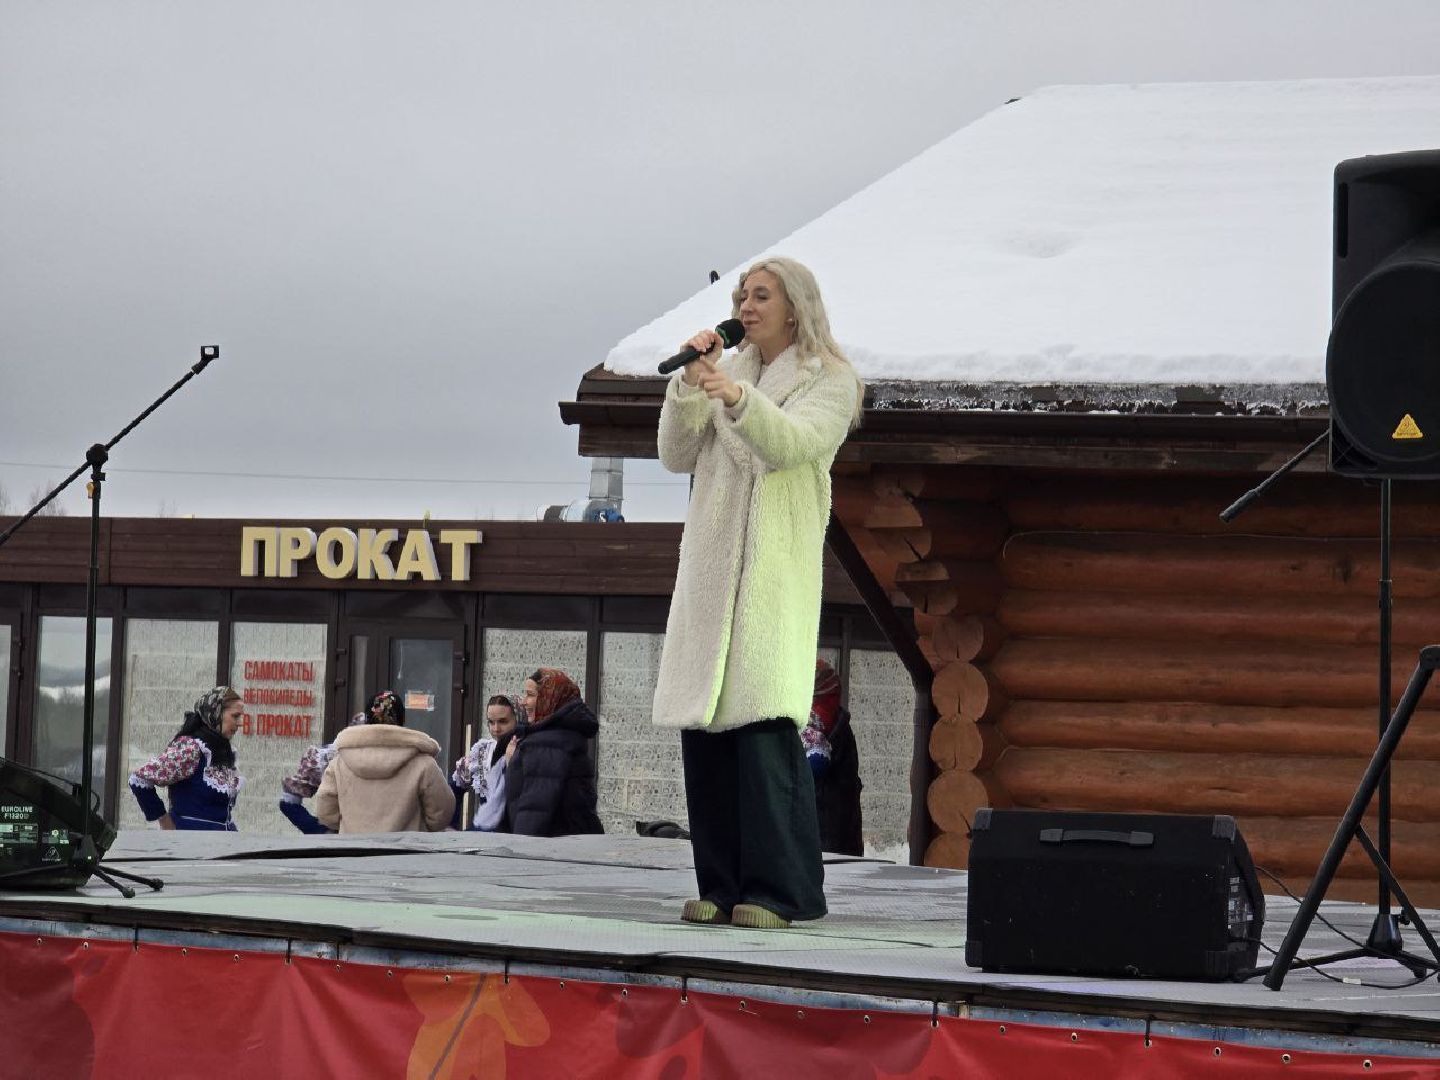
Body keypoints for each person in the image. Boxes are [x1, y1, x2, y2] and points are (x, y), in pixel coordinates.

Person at [653, 256, 863, 930]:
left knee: (764, 739)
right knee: (708, 739)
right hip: (712, 578)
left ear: (795, 307)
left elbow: (792, 445)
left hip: (772, 580)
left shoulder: (831, 379)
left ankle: (782, 892)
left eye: (761, 295)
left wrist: (738, 399)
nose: (745, 306)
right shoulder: (727, 368)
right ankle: (719, 885)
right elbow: (675, 455)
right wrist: (690, 384)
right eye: (742, 296)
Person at [313, 689, 454, 833]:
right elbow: (441, 813)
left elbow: (325, 812)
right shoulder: (424, 764)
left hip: (353, 845)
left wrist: (349, 826)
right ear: (401, 719)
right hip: (408, 846)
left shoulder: (339, 763)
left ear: (367, 719)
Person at [129, 686, 245, 831]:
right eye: (235, 716)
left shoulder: (223, 751)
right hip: (190, 841)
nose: (240, 723)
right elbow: (139, 779)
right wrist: (165, 821)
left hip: (222, 840)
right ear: (216, 714)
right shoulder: (191, 748)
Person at [504, 668, 603, 837]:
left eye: (531, 695)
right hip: (573, 841)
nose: (523, 702)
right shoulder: (566, 736)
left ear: (550, 698)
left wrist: (520, 848)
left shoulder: (546, 743)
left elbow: (534, 810)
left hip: (550, 845)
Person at [277, 697, 381, 835]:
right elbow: (288, 802)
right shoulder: (332, 755)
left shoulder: (405, 758)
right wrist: (323, 832)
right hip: (347, 843)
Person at [802, 658, 864, 857]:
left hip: (828, 842)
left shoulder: (818, 727)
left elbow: (815, 767)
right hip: (836, 840)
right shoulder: (838, 725)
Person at [449, 694, 520, 831]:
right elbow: (453, 790)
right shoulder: (483, 751)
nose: (496, 729)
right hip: (482, 832)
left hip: (514, 835)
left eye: (503, 721)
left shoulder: (527, 750)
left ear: (518, 719)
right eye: (491, 722)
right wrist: (450, 826)